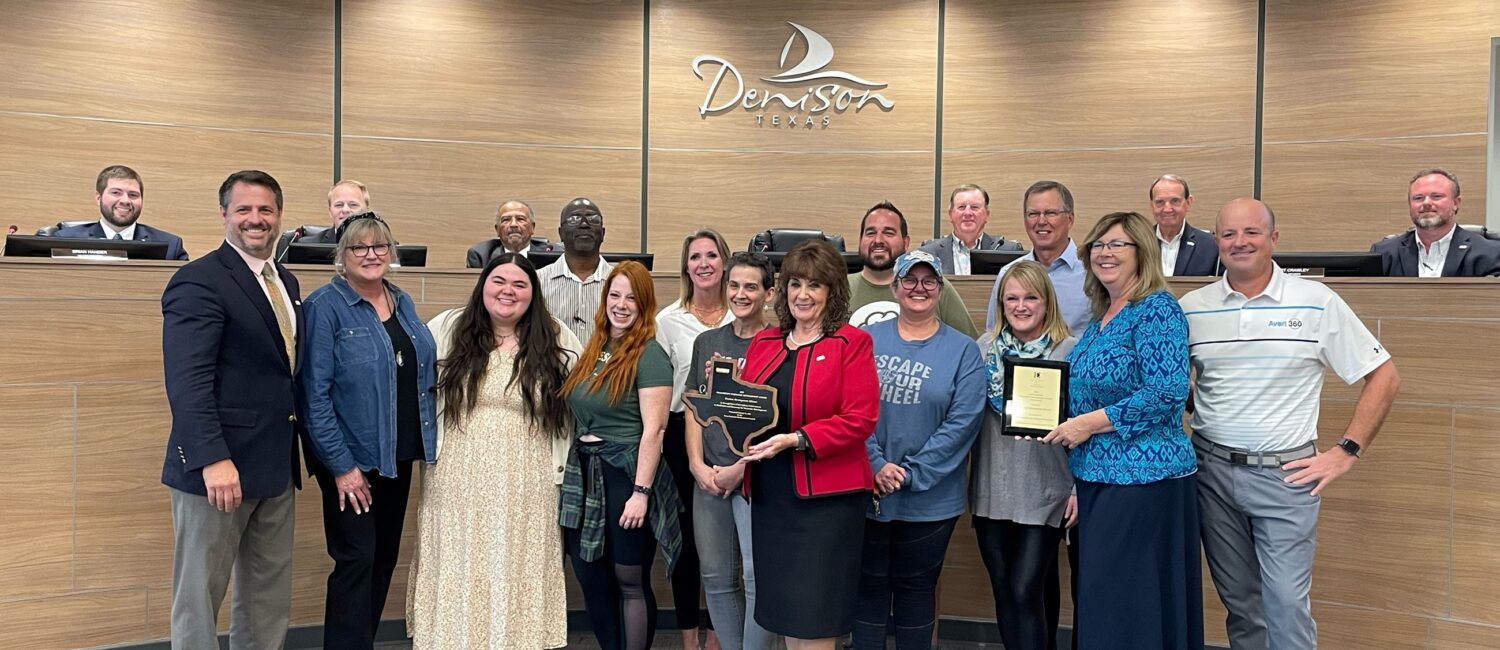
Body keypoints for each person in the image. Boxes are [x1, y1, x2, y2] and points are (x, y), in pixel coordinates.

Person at [1184, 198, 1401, 650]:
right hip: (1211, 474)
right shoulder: (1193, 308)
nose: (1239, 242)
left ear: (1273, 239)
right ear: (1216, 242)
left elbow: (1383, 375)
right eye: (1228, 234)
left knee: (1285, 605)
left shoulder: (1315, 302)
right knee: (1241, 604)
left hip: (1285, 478)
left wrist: (1346, 451)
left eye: (1251, 233)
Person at [1039, 211, 1200, 649]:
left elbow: (1167, 390)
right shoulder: (1100, 318)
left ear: (1141, 253)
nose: (1104, 253)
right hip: (1097, 479)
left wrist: (1087, 425)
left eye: (1117, 245)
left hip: (1145, 482)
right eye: (1099, 245)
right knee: (1106, 599)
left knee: (1127, 603)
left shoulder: (1157, 308)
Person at [407, 252, 582, 649]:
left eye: (520, 284)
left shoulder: (555, 337)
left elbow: (584, 396)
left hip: (529, 474)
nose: (508, 291)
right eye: (499, 281)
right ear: (482, 285)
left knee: (518, 559)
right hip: (456, 473)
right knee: (459, 557)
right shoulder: (447, 328)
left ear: (532, 294)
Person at [161, 170, 302, 649]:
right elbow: (188, 381)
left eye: (265, 210)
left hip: (275, 468)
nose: (255, 220)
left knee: (267, 598)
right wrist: (212, 459)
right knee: (198, 597)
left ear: (279, 216)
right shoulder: (198, 280)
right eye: (243, 209)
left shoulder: (285, 279)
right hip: (217, 471)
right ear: (224, 214)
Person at [298, 212, 437, 650]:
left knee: (382, 561)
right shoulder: (325, 306)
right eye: (359, 247)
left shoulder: (402, 301)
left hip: (396, 455)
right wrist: (342, 468)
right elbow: (313, 394)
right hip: (350, 461)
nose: (371, 255)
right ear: (341, 256)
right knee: (356, 560)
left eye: (380, 246)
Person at [737, 239, 880, 650]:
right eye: (794, 283)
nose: (802, 294)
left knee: (816, 620)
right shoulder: (764, 344)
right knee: (785, 617)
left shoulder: (852, 343)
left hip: (826, 505)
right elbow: (749, 410)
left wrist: (797, 439)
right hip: (772, 498)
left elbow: (861, 419)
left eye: (814, 285)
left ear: (832, 291)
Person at [852, 250, 984, 650]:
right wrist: (875, 463)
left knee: (916, 592)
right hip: (868, 491)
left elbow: (964, 423)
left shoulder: (964, 350)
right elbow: (850, 407)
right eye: (910, 280)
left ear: (940, 290)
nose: (919, 288)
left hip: (931, 501)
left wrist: (910, 473)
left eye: (929, 281)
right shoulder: (865, 341)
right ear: (894, 288)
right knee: (869, 590)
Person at [560, 260, 683, 650]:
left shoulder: (650, 355)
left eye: (632, 297)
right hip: (587, 472)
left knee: (629, 578)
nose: (622, 304)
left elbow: (655, 430)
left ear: (645, 304)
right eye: (615, 295)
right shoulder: (597, 347)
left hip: (628, 475)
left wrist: (641, 492)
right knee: (589, 573)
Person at [970, 260, 1079, 650]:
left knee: (1024, 589)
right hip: (992, 489)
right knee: (1005, 591)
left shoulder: (1072, 350)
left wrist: (1077, 489)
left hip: (1045, 490)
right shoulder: (983, 349)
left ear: (1047, 301)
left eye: (1030, 297)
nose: (1020, 306)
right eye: (1011, 298)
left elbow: (1086, 426)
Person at [682, 251, 779, 650]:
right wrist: (696, 465)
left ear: (769, 294)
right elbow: (692, 407)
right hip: (708, 478)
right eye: (734, 285)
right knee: (716, 578)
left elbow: (780, 418)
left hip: (758, 479)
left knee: (758, 579)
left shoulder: (779, 344)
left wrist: (742, 469)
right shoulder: (708, 343)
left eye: (751, 286)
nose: (741, 294)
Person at [655, 229, 735, 650]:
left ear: (725, 261)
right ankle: (689, 638)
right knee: (686, 544)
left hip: (736, 441)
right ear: (686, 266)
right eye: (695, 257)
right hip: (682, 439)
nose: (703, 263)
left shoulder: (743, 315)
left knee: (727, 544)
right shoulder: (667, 321)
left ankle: (721, 635)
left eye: (711, 255)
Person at [847, 201, 978, 337]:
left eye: (889, 233)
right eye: (870, 233)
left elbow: (970, 347)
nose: (878, 240)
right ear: (860, 240)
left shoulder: (933, 286)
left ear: (906, 243)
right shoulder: (837, 288)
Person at [985, 181, 1090, 336]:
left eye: (1051, 213)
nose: (1041, 221)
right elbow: (994, 334)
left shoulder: (1092, 272)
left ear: (1070, 219)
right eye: (1033, 214)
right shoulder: (1008, 274)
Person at [1370, 168, 1500, 277]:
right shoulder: (1383, 253)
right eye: (1418, 198)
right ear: (1410, 204)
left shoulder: (1490, 253)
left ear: (1456, 203)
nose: (1426, 203)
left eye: (1436, 196)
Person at [56, 164, 189, 260]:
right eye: (116, 193)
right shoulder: (64, 240)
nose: (125, 201)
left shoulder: (170, 246)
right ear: (98, 198)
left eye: (133, 195)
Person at [541, 197, 614, 344]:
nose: (584, 225)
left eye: (593, 219)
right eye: (574, 219)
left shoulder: (621, 282)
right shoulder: (537, 281)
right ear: (560, 233)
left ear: (603, 233)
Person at [919, 184, 1024, 275]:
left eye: (974, 207)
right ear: (950, 214)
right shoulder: (928, 253)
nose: (968, 213)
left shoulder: (1009, 251)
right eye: (961, 207)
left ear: (987, 214)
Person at [1149, 174, 1219, 276]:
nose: (1167, 209)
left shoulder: (1211, 245)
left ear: (1188, 203)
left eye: (1175, 201)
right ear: (1152, 205)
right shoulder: (1137, 243)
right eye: (1160, 202)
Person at [465, 199, 557, 268]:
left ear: (532, 227)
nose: (513, 225)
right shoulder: (481, 256)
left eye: (520, 219)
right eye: (506, 220)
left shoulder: (554, 255)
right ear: (497, 230)